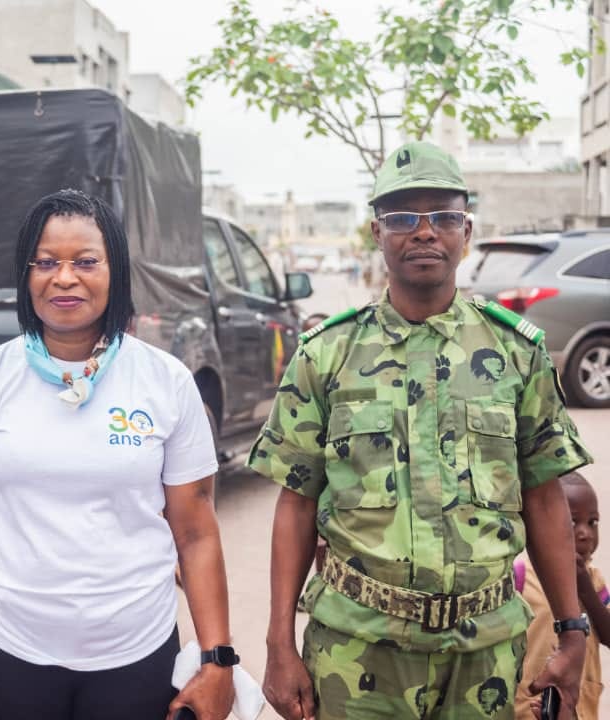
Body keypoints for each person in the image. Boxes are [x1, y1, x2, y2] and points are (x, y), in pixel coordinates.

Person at [249, 141, 593, 720]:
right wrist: (279, 642)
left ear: (467, 229)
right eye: (404, 217)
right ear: (377, 233)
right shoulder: (327, 354)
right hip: (357, 654)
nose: (425, 231)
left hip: (482, 655)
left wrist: (571, 628)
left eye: (444, 216)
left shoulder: (516, 354)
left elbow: (543, 495)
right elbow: (296, 504)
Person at [0, 189, 236, 720]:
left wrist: (218, 662)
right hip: (7, 653)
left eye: (86, 262)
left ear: (115, 271)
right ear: (27, 276)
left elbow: (196, 532)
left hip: (137, 654)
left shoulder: (166, 382)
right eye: (45, 262)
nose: (64, 278)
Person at [514, 471, 610, 719]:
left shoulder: (595, 580)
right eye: (572, 521)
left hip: (580, 708)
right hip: (527, 706)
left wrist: (585, 588)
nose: (584, 532)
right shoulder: (521, 576)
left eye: (592, 522)